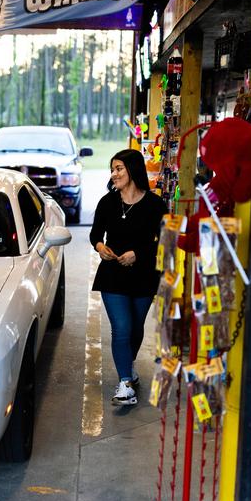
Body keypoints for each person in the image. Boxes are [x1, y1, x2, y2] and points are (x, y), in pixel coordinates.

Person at [90, 149, 167, 406]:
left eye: (119, 168)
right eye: (112, 169)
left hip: (144, 275)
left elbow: (166, 242)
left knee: (134, 329)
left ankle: (128, 366)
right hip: (113, 275)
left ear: (133, 170)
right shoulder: (107, 202)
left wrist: (139, 254)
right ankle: (125, 383)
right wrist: (101, 248)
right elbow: (95, 235)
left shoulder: (156, 205)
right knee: (121, 328)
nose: (114, 174)